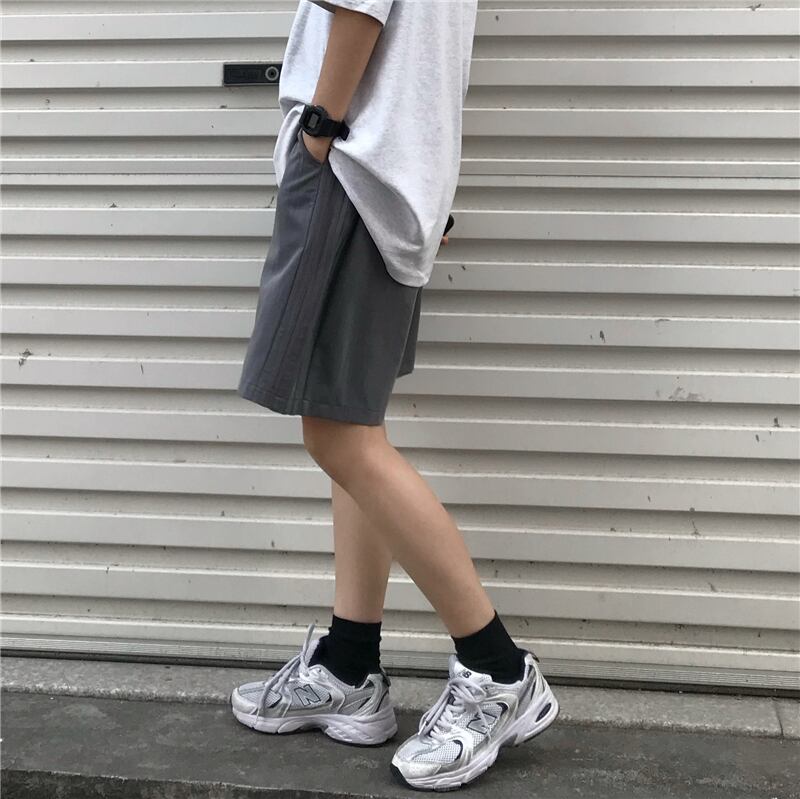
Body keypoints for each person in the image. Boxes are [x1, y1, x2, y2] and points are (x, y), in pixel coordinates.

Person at [230, 0, 559, 790]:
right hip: (396, 172)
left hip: (354, 167)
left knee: (337, 436)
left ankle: (498, 668)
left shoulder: (339, 146)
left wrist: (318, 131)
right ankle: (349, 663)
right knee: (350, 421)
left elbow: (357, 11)